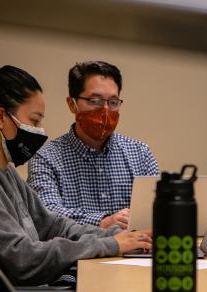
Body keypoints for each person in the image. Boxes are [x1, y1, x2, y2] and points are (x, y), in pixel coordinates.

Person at [0, 63, 151, 286]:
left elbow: (52, 225)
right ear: (1, 117)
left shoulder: (3, 171)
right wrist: (110, 244)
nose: (39, 131)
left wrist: (121, 237)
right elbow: (20, 259)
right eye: (34, 121)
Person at [27, 61, 159, 229]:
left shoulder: (140, 153)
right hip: (77, 254)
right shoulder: (45, 158)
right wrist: (101, 222)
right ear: (71, 104)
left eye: (113, 102)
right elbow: (47, 216)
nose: (105, 110)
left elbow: (160, 209)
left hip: (135, 253)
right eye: (95, 100)